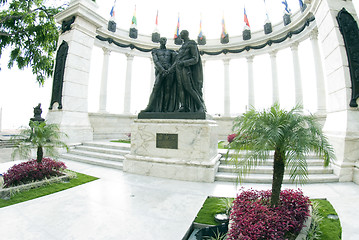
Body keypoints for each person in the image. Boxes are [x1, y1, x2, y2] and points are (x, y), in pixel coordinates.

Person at [142, 37, 178, 112]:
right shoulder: (155, 51)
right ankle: (149, 107)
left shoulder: (171, 51)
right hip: (161, 71)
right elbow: (156, 61)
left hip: (169, 71)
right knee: (156, 88)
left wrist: (170, 70)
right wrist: (162, 70)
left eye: (165, 40)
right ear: (159, 41)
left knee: (168, 89)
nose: (164, 41)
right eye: (162, 40)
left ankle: (165, 108)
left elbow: (176, 60)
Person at [175, 30, 206, 112]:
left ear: (185, 34)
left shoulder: (192, 43)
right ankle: (184, 106)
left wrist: (184, 63)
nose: (180, 35)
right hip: (178, 69)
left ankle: (201, 105)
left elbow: (195, 59)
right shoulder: (182, 46)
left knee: (189, 88)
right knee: (180, 88)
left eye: (181, 34)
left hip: (186, 69)